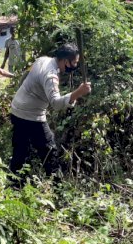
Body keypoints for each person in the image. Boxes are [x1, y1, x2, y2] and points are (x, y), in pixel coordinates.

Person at [9, 43, 91, 179]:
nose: (75, 66)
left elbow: (25, 77)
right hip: (30, 115)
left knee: (20, 150)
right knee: (49, 149)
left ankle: (14, 182)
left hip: (17, 109)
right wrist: (78, 92)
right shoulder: (50, 76)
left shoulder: (42, 60)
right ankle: (56, 185)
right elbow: (56, 104)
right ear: (65, 61)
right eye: (74, 63)